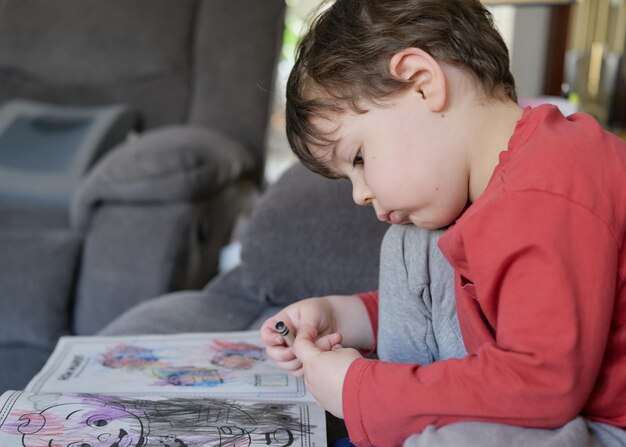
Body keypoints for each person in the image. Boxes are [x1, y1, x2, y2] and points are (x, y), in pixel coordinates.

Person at [259, 0, 626, 446]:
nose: (360, 194)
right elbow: (468, 305)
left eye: (358, 158)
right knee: (412, 241)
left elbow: (543, 384)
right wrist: (342, 314)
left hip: (600, 425)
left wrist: (360, 388)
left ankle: (397, 412)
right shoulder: (492, 188)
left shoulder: (545, 189)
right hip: (547, 404)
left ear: (421, 82)